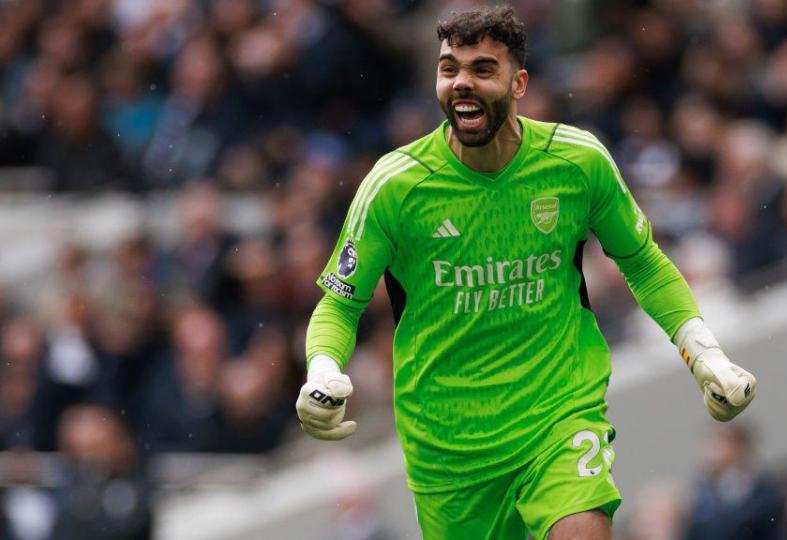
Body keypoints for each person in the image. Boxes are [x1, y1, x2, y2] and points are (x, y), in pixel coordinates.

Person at [295, 6, 757, 540]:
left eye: (482, 69)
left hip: (557, 416)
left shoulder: (576, 162)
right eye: (450, 69)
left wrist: (703, 351)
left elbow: (643, 262)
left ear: (519, 83)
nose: (462, 83)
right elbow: (340, 302)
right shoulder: (396, 186)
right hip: (448, 449)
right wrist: (322, 369)